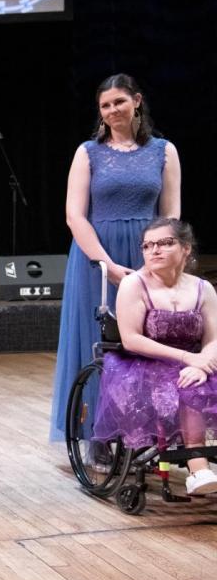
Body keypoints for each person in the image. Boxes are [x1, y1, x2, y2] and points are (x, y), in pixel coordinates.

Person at [49, 73, 181, 442]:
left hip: (148, 253)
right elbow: (75, 216)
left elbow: (171, 214)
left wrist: (158, 258)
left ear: (137, 101)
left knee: (146, 342)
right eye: (105, 105)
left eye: (119, 102)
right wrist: (106, 265)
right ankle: (101, 435)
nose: (112, 110)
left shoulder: (164, 151)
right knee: (100, 343)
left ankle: (146, 434)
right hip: (97, 257)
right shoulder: (88, 152)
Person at [93, 219, 217, 494]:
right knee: (189, 388)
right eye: (147, 246)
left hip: (194, 362)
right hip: (145, 362)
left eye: (165, 243)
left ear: (186, 248)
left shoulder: (202, 288)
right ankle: (198, 467)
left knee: (196, 380)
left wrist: (203, 366)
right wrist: (188, 359)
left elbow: (213, 339)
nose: (154, 250)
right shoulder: (134, 285)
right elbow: (131, 339)